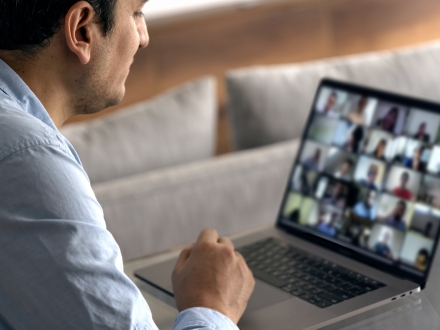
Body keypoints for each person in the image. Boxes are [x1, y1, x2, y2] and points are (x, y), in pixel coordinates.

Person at [0, 2, 254, 330]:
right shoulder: (28, 159)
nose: (143, 36)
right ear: (82, 30)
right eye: (136, 13)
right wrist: (212, 305)